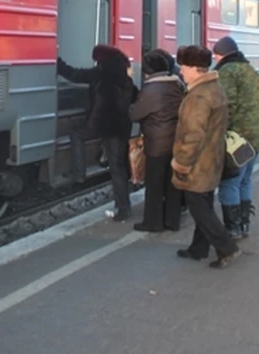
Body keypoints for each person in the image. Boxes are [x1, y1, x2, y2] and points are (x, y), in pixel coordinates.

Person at [170, 45, 239, 268]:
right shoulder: (214, 87)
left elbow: (192, 135)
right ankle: (198, 249)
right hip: (211, 159)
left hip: (198, 163)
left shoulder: (198, 96)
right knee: (204, 204)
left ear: (194, 68)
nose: (181, 71)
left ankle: (226, 247)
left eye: (184, 67)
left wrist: (181, 163)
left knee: (199, 208)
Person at [57, 45, 138, 221]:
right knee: (118, 167)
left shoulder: (100, 74)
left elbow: (74, 74)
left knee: (78, 135)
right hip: (122, 128)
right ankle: (123, 206)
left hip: (103, 125)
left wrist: (56, 61)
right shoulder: (126, 79)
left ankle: (78, 174)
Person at [212, 36, 259, 239]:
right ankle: (244, 224)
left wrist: (217, 134)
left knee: (230, 182)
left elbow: (228, 106)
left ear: (221, 55)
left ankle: (232, 228)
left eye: (216, 56)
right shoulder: (250, 71)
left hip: (236, 139)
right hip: (255, 136)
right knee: (245, 181)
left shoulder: (227, 72)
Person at [129, 49, 185, 232]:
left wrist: (130, 107)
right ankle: (172, 220)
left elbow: (136, 114)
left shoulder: (151, 89)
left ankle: (153, 222)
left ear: (147, 71)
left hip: (157, 143)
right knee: (173, 182)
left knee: (154, 184)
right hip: (176, 139)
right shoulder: (177, 84)